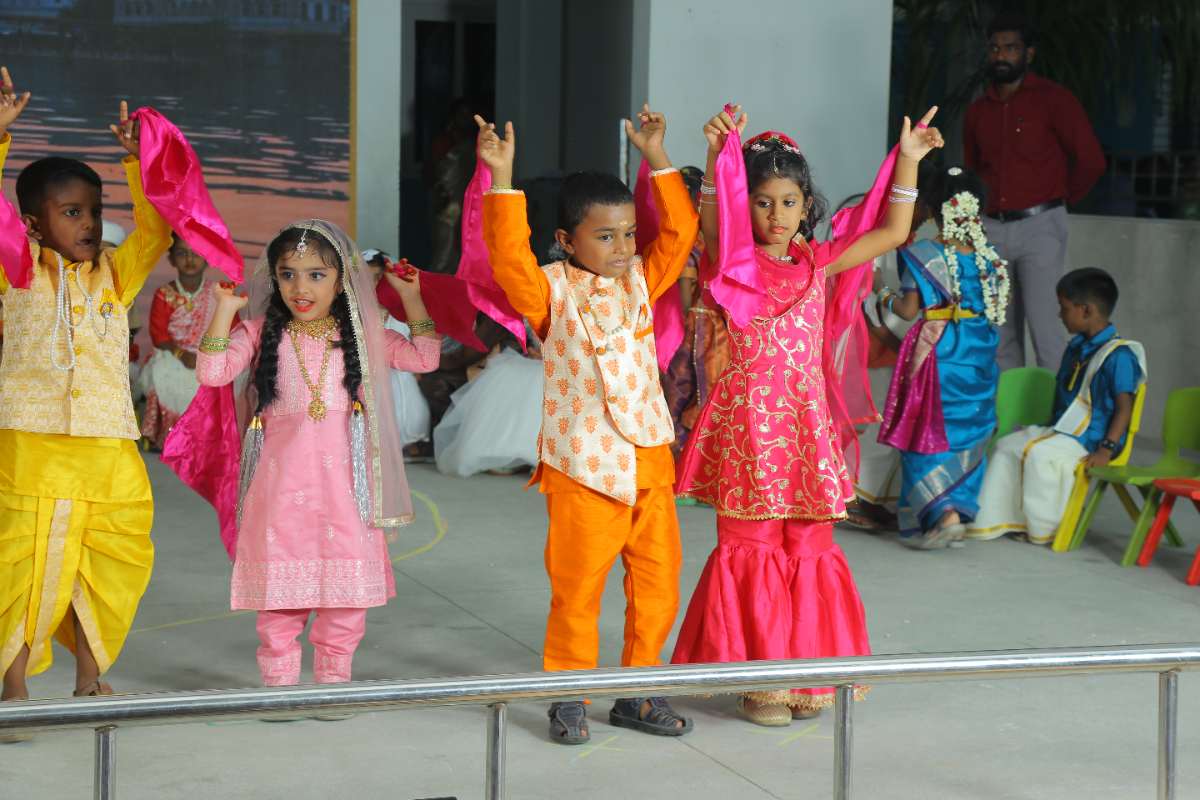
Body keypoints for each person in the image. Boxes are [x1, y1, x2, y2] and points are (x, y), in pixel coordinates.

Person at [672, 104, 944, 726]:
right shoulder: (729, 261)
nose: (776, 214)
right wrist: (717, 156)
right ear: (745, 205)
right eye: (763, 202)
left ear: (806, 206)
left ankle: (805, 679)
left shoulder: (820, 262)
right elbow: (713, 219)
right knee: (753, 544)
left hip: (804, 424)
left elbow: (892, 232)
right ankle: (761, 684)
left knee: (809, 544)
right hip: (749, 431)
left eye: (789, 202)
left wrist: (907, 160)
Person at [476, 105, 698, 744]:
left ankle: (639, 692)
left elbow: (679, 232)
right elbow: (507, 257)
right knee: (577, 591)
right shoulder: (548, 291)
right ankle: (567, 693)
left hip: (650, 461)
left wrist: (657, 157)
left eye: (628, 233)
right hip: (584, 469)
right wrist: (501, 179)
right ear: (567, 241)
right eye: (606, 236)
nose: (624, 247)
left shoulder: (642, 279)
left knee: (657, 587)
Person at [194, 222, 440, 687]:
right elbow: (212, 372)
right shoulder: (260, 331)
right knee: (279, 594)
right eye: (288, 275)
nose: (300, 288)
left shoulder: (363, 335)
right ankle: (279, 684)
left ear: (341, 280)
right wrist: (223, 311)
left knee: (344, 598)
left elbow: (424, 358)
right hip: (280, 490)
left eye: (316, 275)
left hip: (346, 491)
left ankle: (333, 682)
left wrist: (411, 299)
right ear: (274, 278)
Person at [0, 72, 172, 706]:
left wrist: (138, 163)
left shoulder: (115, 276)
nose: (90, 224)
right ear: (31, 223)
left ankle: (89, 677)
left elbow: (155, 232)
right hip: (30, 445)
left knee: (106, 559)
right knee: (20, 561)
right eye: (72, 212)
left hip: (107, 445)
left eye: (95, 212)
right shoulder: (16, 271)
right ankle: (13, 683)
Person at [963, 11, 1106, 371]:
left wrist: (1060, 201)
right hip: (991, 228)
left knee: (1048, 328)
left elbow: (1091, 160)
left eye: (1010, 48)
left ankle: (1058, 408)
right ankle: (1012, 407)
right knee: (1000, 332)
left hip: (1040, 225)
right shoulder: (978, 111)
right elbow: (973, 172)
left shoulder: (1054, 100)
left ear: (1028, 54)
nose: (1001, 56)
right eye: (995, 48)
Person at [876, 166, 1006, 548]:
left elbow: (906, 310)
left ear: (934, 210)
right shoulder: (989, 259)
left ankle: (943, 514)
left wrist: (880, 290)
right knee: (967, 434)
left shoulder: (924, 254)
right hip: (979, 356)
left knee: (924, 432)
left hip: (939, 357)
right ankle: (955, 512)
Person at [969, 268, 1145, 545]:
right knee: (1006, 446)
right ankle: (1005, 520)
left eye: (1064, 308)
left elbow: (1125, 408)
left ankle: (1047, 528)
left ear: (1086, 310)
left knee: (1041, 456)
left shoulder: (1119, 356)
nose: (1060, 315)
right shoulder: (1076, 347)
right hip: (1064, 430)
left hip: (1095, 439)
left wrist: (1106, 449)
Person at [660, 166, 731, 466]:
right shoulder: (709, 239)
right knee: (699, 390)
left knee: (684, 388)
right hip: (707, 323)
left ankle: (684, 461)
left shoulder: (691, 240)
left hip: (694, 323)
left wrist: (690, 316)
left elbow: (687, 288)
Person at [136, 234, 217, 449]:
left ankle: (204, 441)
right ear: (171, 259)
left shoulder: (218, 295)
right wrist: (182, 355)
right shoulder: (164, 294)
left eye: (196, 254)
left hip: (209, 355)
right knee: (162, 373)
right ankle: (168, 438)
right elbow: (159, 335)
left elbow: (230, 332)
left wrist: (207, 356)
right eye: (182, 254)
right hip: (172, 354)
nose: (189, 260)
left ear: (207, 258)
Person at [433, 323, 543, 477]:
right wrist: (532, 352)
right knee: (507, 371)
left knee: (541, 379)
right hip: (534, 359)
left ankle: (541, 457)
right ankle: (507, 454)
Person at [364, 248, 433, 449]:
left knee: (404, 401)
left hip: (401, 368)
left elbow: (418, 340)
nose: (373, 283)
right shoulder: (354, 311)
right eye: (366, 278)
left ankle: (408, 439)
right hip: (367, 372)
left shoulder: (401, 310)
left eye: (378, 277)